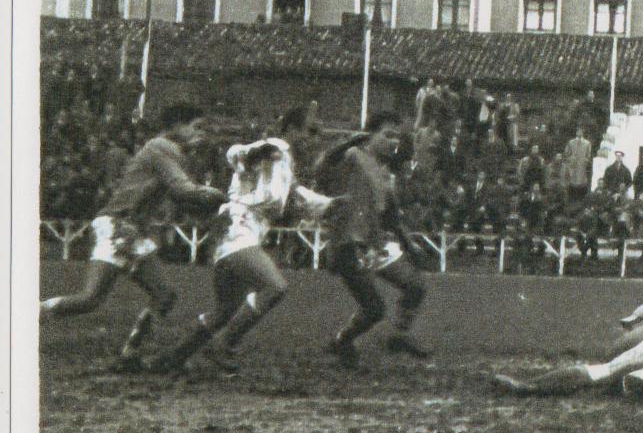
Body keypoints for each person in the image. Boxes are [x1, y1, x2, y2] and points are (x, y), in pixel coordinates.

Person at [148, 106, 338, 373]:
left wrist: (330, 205)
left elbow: (297, 195)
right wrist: (256, 150)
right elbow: (236, 152)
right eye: (310, 130)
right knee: (275, 287)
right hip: (239, 227)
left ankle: (172, 357)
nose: (313, 137)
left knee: (224, 311)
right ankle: (223, 345)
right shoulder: (275, 147)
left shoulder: (283, 163)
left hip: (240, 231)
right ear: (292, 129)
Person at [41, 103, 227, 363]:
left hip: (132, 230)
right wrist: (223, 197)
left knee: (164, 295)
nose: (201, 134)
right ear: (175, 125)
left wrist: (210, 203)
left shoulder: (171, 152)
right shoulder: (162, 148)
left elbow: (180, 196)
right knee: (90, 299)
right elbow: (185, 191)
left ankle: (131, 352)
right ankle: (23, 317)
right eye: (196, 127)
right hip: (117, 225)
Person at [321, 112, 432, 368]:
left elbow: (391, 215)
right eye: (387, 135)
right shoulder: (353, 157)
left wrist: (408, 244)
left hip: (374, 244)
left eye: (396, 136)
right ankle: (342, 341)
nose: (394, 141)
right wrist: (347, 143)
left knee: (416, 286)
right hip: (348, 243)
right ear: (370, 136)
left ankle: (399, 336)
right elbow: (323, 166)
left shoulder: (385, 173)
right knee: (374, 309)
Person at [490, 302, 643, 401]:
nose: (627, 331)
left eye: (632, 324)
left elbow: (612, 356)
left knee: (603, 372)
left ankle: (529, 387)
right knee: (638, 382)